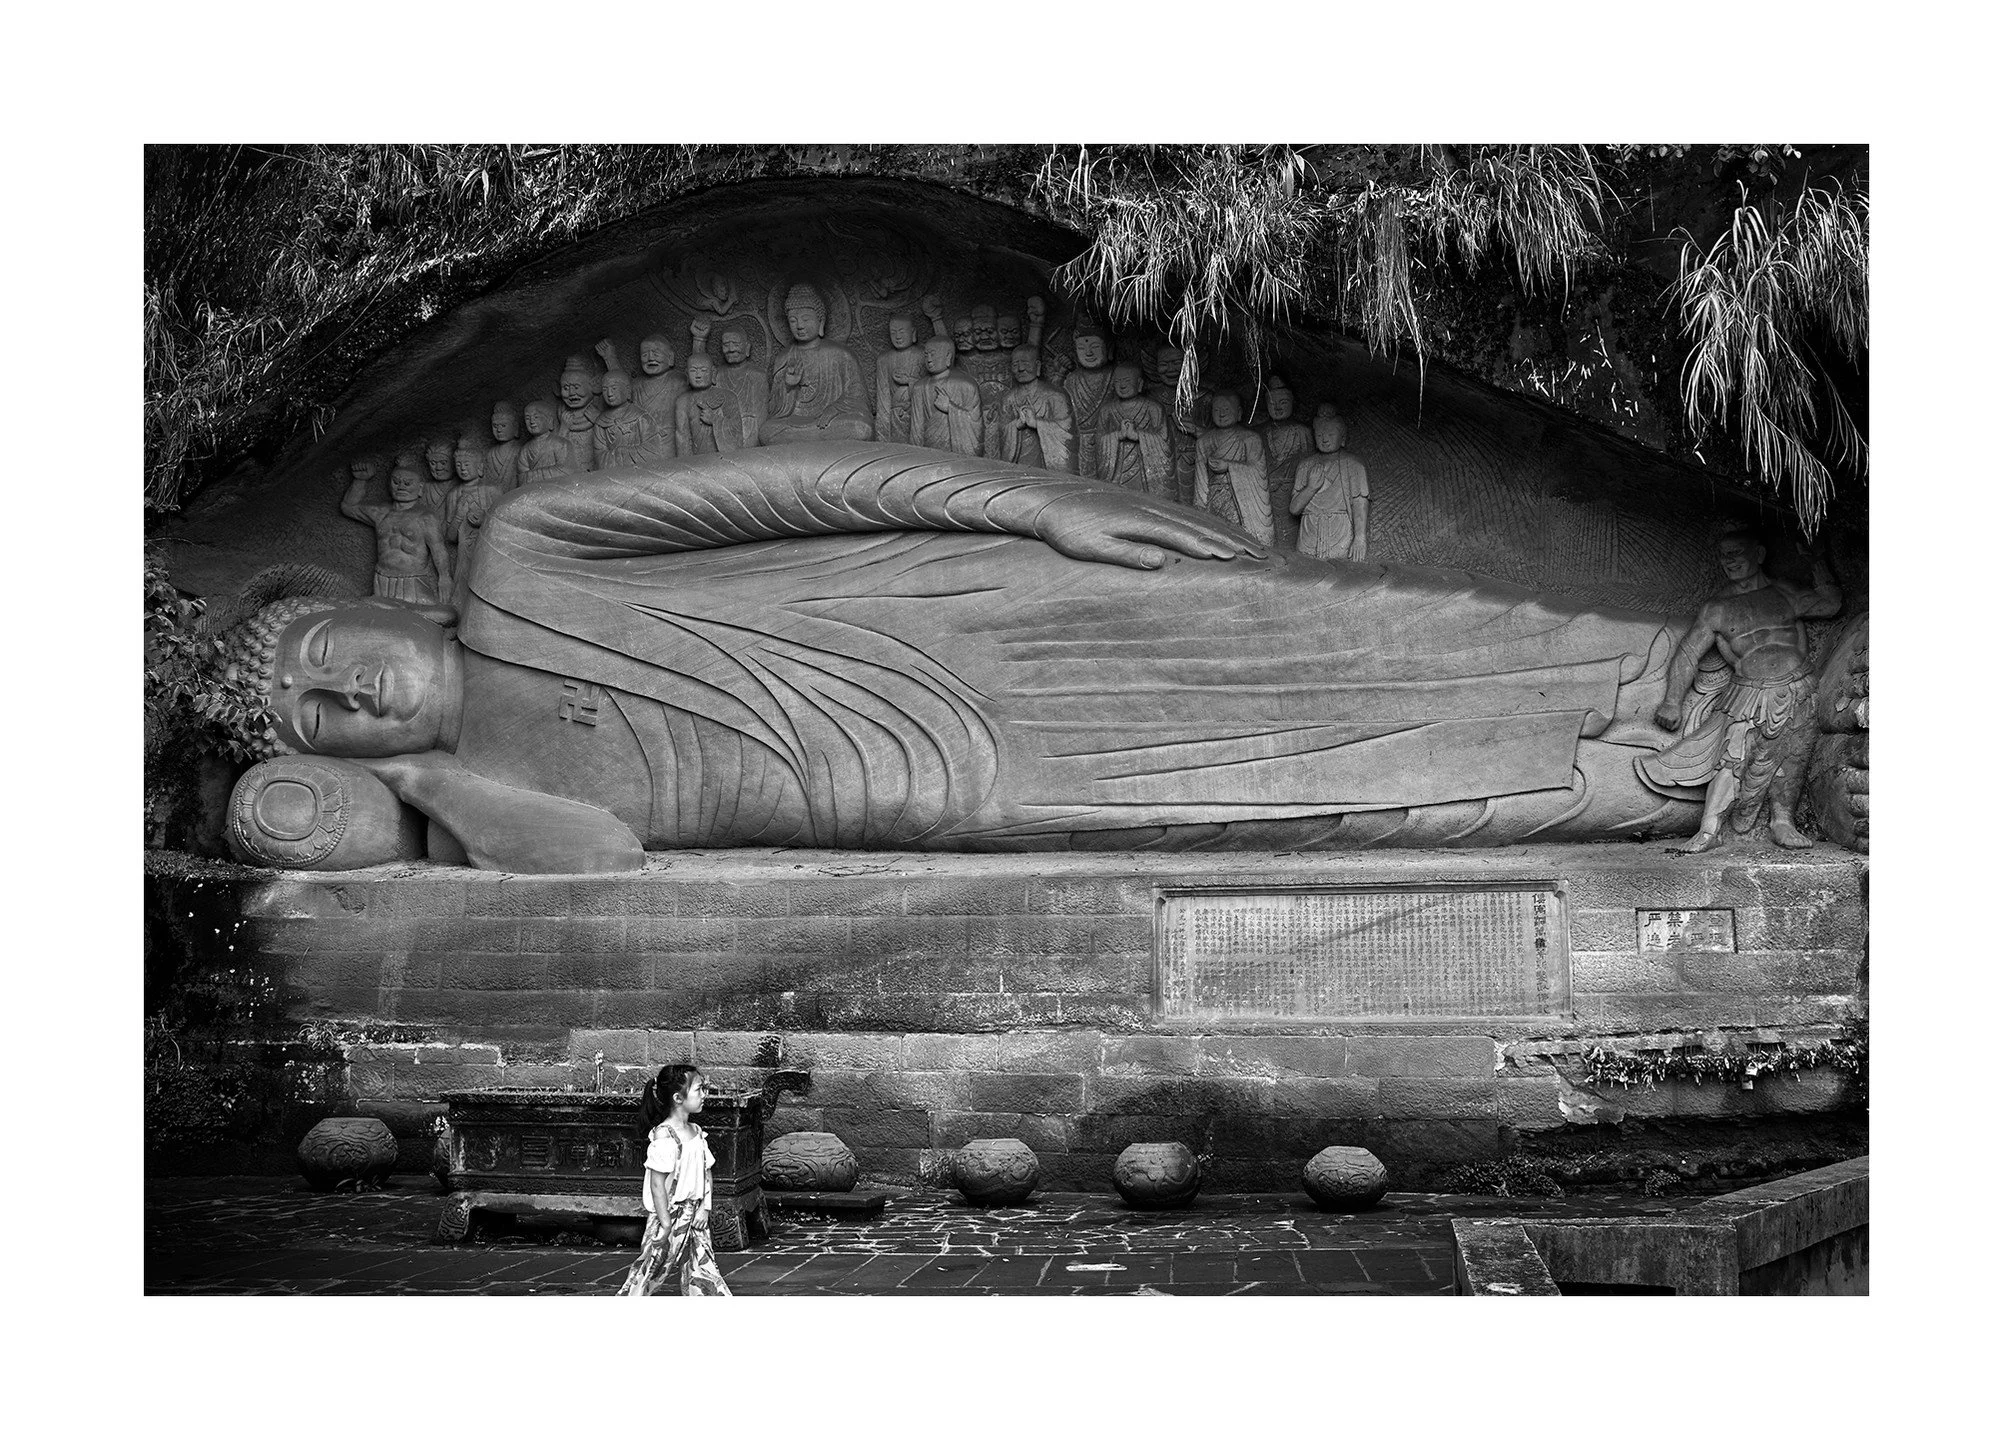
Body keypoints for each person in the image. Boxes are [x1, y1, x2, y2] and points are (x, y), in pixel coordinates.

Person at [219, 444, 1708, 870]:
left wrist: (1029, 501)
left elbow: (797, 484)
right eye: (320, 718)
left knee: (1304, 630)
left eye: (329, 658)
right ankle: (1651, 777)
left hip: (958, 610)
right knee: (1284, 784)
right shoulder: (496, 787)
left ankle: (1655, 674)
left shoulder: (525, 550)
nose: (351, 693)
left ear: (379, 603)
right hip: (952, 780)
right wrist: (422, 779)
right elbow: (595, 860)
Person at [1639, 523, 1842, 852]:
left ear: (1759, 554)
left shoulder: (1784, 593)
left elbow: (1830, 604)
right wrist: (1672, 701)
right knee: (1732, 756)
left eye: (1736, 554)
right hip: (1747, 691)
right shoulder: (1716, 609)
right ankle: (1709, 828)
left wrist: (1818, 561)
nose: (1728, 562)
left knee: (1793, 755)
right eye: (1723, 557)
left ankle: (1782, 823)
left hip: (1797, 686)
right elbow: (1689, 653)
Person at [617, 1065, 730, 1297]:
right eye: (699, 1090)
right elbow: (657, 1185)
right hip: (668, 1216)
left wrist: (704, 1209)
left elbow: (706, 1172)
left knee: (704, 1273)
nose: (703, 1095)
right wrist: (666, 1224)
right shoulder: (664, 1137)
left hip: (696, 1216)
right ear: (678, 1098)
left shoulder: (697, 1132)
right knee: (649, 1271)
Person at [759, 285, 874, 444]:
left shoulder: (841, 355)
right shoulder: (784, 357)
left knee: (861, 428)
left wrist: (835, 409)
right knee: (767, 431)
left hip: (831, 422)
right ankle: (816, 440)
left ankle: (806, 441)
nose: (799, 325)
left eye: (806, 319)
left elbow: (859, 399)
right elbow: (774, 410)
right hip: (795, 423)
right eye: (793, 320)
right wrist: (789, 387)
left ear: (821, 321)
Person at [338, 454, 452, 605]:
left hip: (413, 579)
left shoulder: (425, 517)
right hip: (382, 577)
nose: (401, 486)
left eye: (407, 483)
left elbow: (439, 549)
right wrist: (360, 480)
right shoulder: (381, 513)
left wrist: (444, 578)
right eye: (396, 482)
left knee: (422, 617)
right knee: (383, 617)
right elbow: (348, 507)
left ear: (420, 488)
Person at [1289, 405, 1369, 562]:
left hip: (1339, 531)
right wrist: (1311, 488)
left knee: (1339, 577)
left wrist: (1360, 538)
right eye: (1319, 435)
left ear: (1343, 438)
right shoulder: (1306, 466)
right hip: (1309, 532)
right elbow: (1294, 509)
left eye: (1331, 434)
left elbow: (1359, 503)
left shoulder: (1353, 465)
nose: (1324, 439)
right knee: (1306, 576)